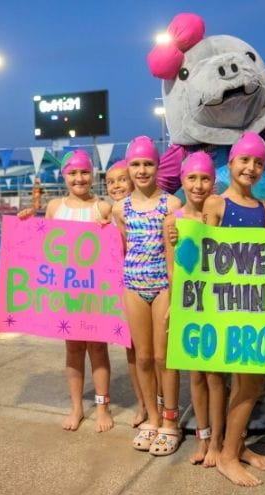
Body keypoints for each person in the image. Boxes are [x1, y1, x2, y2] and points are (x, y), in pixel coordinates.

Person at [202, 131, 265, 487]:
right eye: (244, 160)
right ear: (230, 163)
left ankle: (235, 446)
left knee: (250, 384)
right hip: (225, 307)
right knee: (244, 382)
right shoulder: (215, 205)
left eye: (258, 163)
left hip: (255, 309)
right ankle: (227, 455)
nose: (251, 167)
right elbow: (204, 256)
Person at [19, 149, 115, 433]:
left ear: (92, 174)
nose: (79, 178)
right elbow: (42, 246)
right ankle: (76, 407)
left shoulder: (103, 208)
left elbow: (114, 246)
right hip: (66, 291)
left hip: (95, 292)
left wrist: (108, 229)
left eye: (84, 172)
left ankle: (102, 406)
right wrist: (26, 222)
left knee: (98, 349)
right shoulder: (54, 207)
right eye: (72, 173)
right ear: (64, 176)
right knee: (73, 350)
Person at [111, 136, 182, 456]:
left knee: (163, 356)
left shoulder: (171, 204)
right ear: (129, 168)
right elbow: (121, 249)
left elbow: (177, 253)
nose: (142, 170)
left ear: (157, 166)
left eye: (148, 163)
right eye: (136, 164)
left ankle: (170, 421)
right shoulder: (119, 208)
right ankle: (152, 418)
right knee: (142, 356)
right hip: (132, 286)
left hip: (163, 285)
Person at [163, 151, 225, 467]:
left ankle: (218, 441)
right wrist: (176, 305)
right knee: (196, 376)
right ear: (182, 181)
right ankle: (202, 437)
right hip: (190, 305)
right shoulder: (172, 222)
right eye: (192, 178)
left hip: (218, 305)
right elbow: (173, 270)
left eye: (205, 179)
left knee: (215, 376)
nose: (199, 185)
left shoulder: (223, 216)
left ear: (214, 182)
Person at [104, 159, 147, 428]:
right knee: (132, 351)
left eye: (122, 179)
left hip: (143, 286)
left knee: (151, 353)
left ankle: (161, 402)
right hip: (120, 290)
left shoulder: (141, 211)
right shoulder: (108, 213)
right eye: (110, 181)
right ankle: (142, 403)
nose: (116, 185)